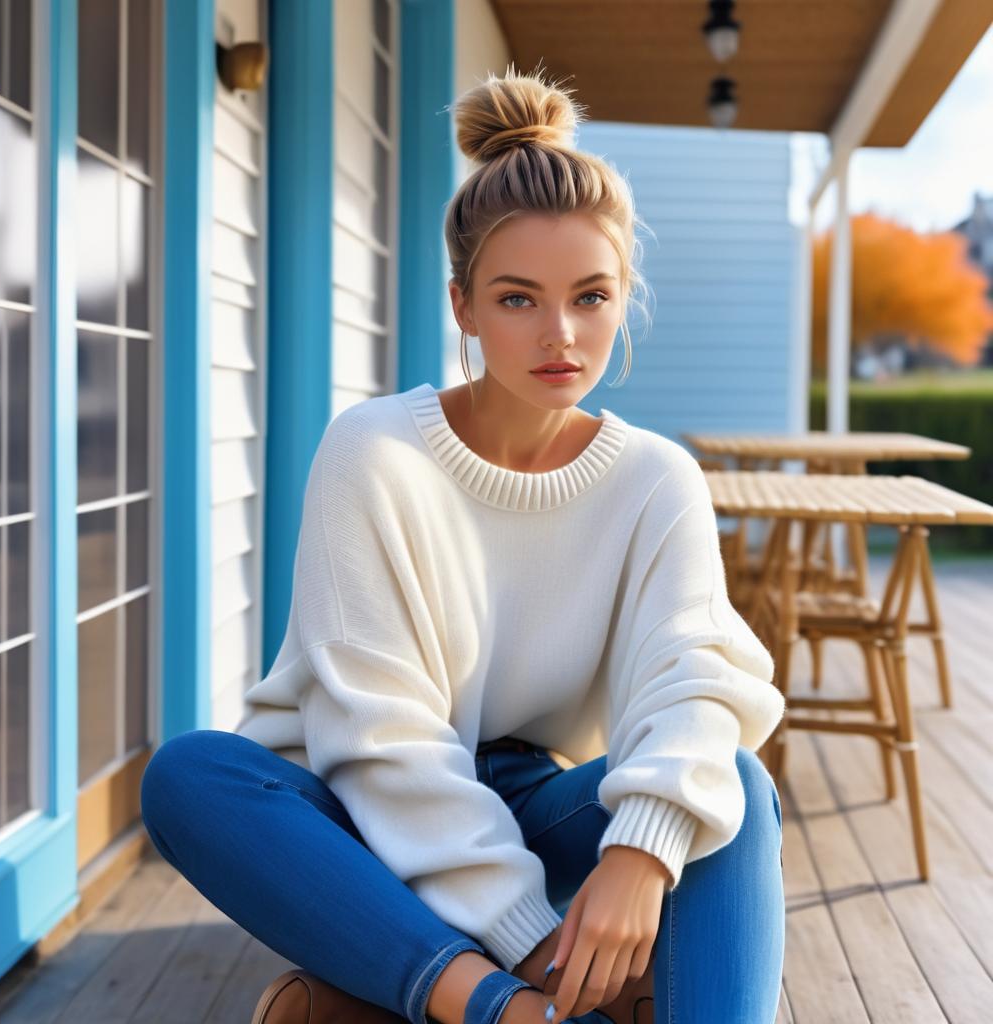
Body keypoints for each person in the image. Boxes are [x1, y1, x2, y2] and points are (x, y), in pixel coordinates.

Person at [139, 65, 787, 1024]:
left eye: (592, 296)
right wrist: (529, 949)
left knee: (722, 778)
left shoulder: (656, 478)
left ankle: (405, 994)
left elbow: (695, 676)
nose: (561, 334)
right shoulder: (376, 452)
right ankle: (508, 1010)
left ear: (624, 298)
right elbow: (380, 739)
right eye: (518, 299)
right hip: (355, 822)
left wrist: (642, 849)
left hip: (534, 798)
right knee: (191, 776)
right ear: (463, 305)